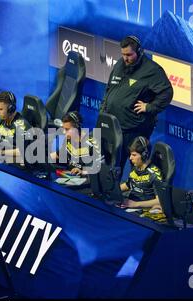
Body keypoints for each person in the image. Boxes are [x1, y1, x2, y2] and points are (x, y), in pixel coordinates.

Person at [100, 35, 173, 171]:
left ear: (139, 52)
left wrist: (150, 107)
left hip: (134, 129)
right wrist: (103, 109)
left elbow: (167, 93)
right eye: (123, 54)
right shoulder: (120, 64)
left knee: (137, 168)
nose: (125, 58)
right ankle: (111, 191)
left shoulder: (152, 70)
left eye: (129, 54)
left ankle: (137, 190)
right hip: (114, 126)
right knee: (110, 166)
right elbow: (109, 89)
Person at [50, 111, 101, 176]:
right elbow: (58, 154)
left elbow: (97, 169)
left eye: (67, 129)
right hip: (70, 176)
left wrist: (82, 171)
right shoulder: (68, 140)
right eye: (63, 129)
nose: (64, 132)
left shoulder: (91, 144)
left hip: (85, 180)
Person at [119, 136, 163, 211]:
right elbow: (128, 184)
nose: (130, 158)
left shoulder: (154, 174)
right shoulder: (136, 166)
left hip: (143, 209)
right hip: (130, 204)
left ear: (144, 155)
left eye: (134, 155)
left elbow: (159, 201)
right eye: (130, 154)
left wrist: (135, 204)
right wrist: (113, 190)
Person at [0, 91, 32, 163]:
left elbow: (23, 151)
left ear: (11, 109)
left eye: (0, 109)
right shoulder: (3, 119)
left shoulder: (21, 126)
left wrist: (2, 152)